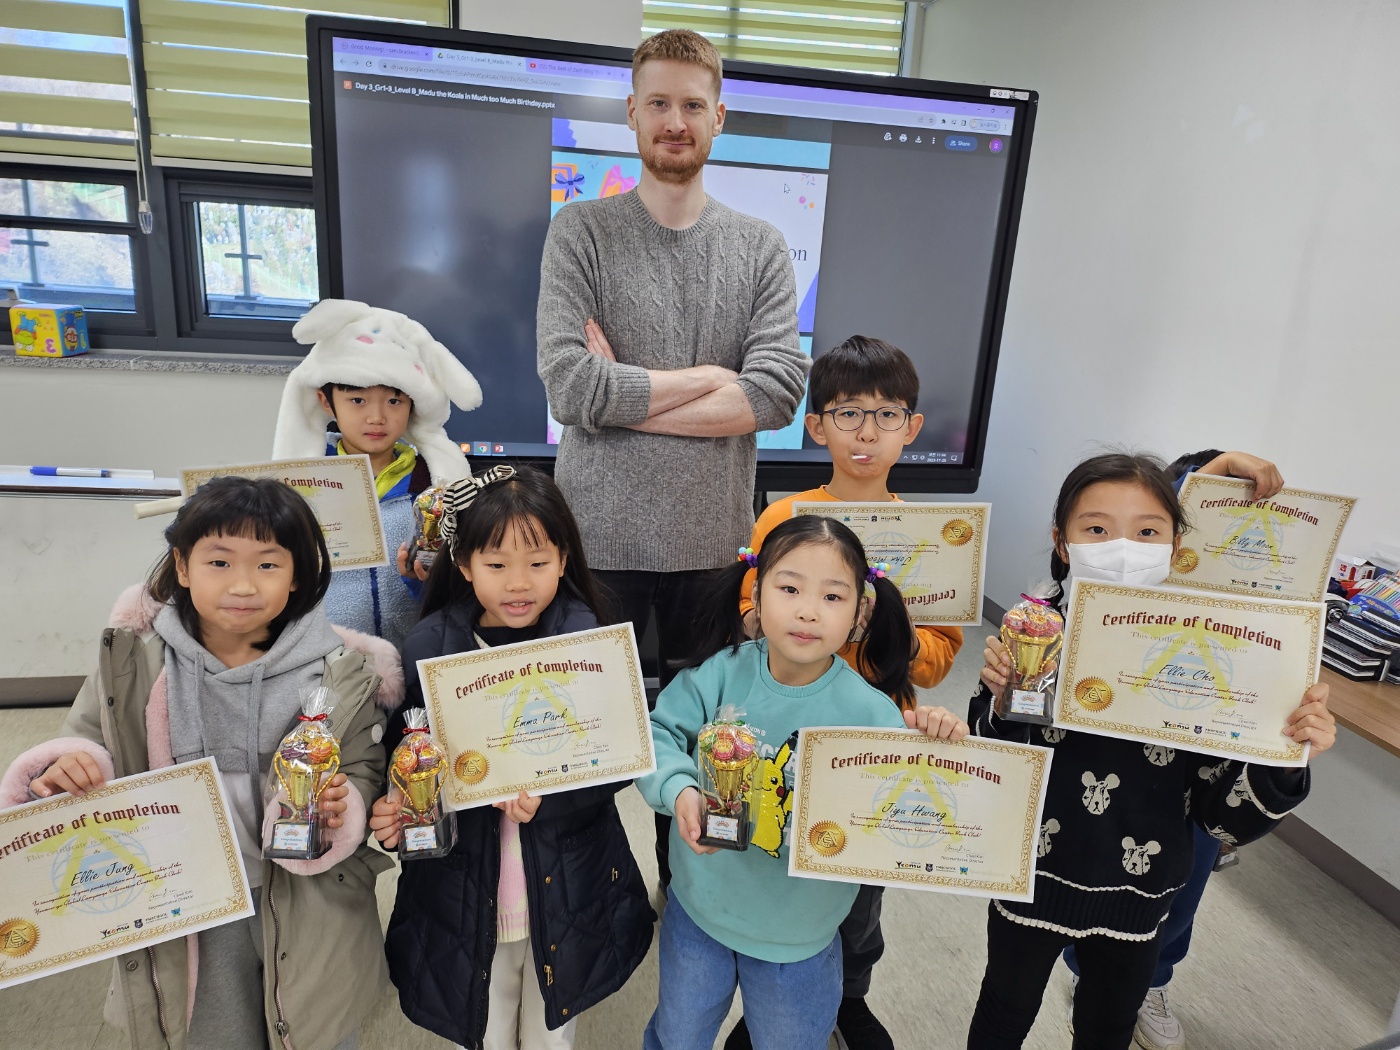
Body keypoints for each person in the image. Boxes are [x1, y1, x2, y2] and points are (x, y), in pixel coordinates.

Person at [535, 28, 809, 885]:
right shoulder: (580, 232)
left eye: (693, 104)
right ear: (631, 113)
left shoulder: (760, 246)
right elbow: (569, 387)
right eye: (659, 102)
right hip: (597, 543)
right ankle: (586, 912)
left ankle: (685, 893)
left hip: (710, 547)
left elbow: (776, 392)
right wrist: (710, 380)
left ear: (719, 117)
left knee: (703, 745)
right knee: (586, 740)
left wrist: (625, 393)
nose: (675, 121)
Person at [1, 476, 401, 1050]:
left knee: (315, 1022)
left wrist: (348, 803)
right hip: (187, 904)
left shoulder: (341, 671)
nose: (242, 584)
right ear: (183, 567)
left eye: (268, 564)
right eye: (219, 561)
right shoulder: (137, 661)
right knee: (207, 1031)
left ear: (298, 575)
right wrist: (69, 767)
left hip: (311, 902)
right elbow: (85, 738)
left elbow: (363, 767)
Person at [966, 452, 1337, 1050]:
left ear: (1175, 545)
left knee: (1108, 1027)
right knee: (1002, 1014)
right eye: (1096, 528)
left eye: (1146, 532)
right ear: (1062, 542)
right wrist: (1002, 699)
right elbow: (989, 762)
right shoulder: (1035, 632)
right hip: (1033, 874)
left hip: (1141, 891)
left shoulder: (1213, 655)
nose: (1122, 548)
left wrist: (1283, 755)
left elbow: (1224, 817)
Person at [637, 514, 970, 1050]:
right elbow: (655, 735)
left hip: (801, 937)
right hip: (699, 914)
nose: (808, 611)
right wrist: (680, 789)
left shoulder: (871, 713)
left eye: (833, 597)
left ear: (860, 614)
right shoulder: (719, 673)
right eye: (789, 588)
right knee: (678, 1036)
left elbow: (910, 807)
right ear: (756, 595)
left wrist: (937, 743)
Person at [726, 335, 964, 1050]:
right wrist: (799, 620)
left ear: (911, 429)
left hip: (874, 744)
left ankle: (849, 997)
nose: (866, 432)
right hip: (783, 735)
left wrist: (884, 628)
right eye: (848, 413)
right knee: (773, 868)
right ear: (816, 425)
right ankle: (765, 1004)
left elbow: (936, 663)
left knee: (860, 891)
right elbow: (745, 621)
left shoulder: (936, 539)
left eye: (887, 415)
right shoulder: (782, 518)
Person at [370, 465, 654, 1050]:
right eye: (497, 565)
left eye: (538, 562)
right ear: (464, 564)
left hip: (569, 875)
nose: (518, 583)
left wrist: (552, 798)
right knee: (485, 1018)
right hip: (466, 880)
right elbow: (406, 754)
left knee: (553, 1023)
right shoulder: (429, 648)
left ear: (564, 559)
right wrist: (397, 805)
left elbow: (618, 762)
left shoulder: (591, 642)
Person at [1059, 447, 1285, 1050]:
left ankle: (1152, 979)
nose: (1127, 548)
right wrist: (1216, 466)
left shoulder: (1220, 586)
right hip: (1101, 753)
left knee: (1180, 882)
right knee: (1084, 867)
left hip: (1189, 756)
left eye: (1149, 532)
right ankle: (1087, 968)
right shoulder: (1084, 600)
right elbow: (1138, 512)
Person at [272, 297, 484, 647]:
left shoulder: (431, 484)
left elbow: (454, 588)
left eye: (394, 401)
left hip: (410, 651)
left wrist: (423, 579)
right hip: (325, 655)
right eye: (357, 400)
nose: (376, 417)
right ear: (326, 402)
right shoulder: (302, 481)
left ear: (413, 404)